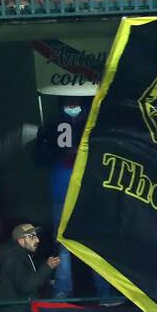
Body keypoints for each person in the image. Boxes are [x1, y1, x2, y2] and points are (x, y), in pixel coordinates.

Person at [36, 97, 90, 298]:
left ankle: (104, 291)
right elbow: (40, 159)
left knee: (94, 241)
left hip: (89, 193)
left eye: (75, 100)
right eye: (68, 100)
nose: (72, 104)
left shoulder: (94, 124)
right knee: (63, 244)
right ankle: (62, 289)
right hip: (62, 192)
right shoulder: (51, 128)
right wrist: (54, 150)